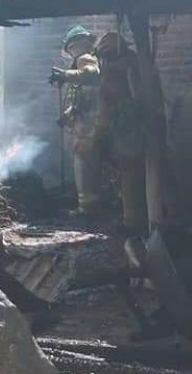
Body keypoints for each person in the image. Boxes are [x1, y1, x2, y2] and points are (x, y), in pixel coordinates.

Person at [91, 32, 147, 235]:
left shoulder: (118, 71)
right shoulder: (136, 64)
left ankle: (133, 222)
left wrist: (99, 135)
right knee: (133, 172)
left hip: (128, 125)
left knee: (130, 171)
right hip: (133, 124)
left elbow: (108, 102)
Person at [50, 26, 102, 215]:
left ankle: (88, 206)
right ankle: (88, 203)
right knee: (85, 162)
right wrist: (67, 115)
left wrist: (65, 74)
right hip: (84, 121)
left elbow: (92, 73)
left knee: (85, 163)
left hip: (89, 124)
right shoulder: (80, 61)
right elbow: (80, 97)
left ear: (74, 45)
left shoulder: (84, 59)